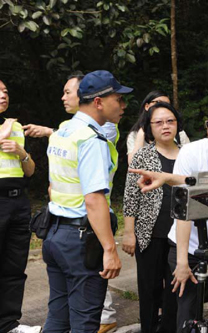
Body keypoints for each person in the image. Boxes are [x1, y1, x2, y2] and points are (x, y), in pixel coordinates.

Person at [129, 101, 208, 332]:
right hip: (188, 241)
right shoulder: (193, 152)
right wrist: (183, 261)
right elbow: (184, 211)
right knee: (186, 310)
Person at [23, 72, 119, 333]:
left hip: (54, 236)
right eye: (117, 98)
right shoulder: (91, 140)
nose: (122, 105)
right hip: (80, 241)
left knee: (58, 318)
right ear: (98, 102)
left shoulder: (63, 131)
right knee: (84, 324)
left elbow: (54, 186)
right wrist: (110, 249)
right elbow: (94, 199)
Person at [122, 101, 183, 333]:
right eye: (158, 122)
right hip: (150, 233)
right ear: (149, 127)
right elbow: (130, 195)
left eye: (170, 121)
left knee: (176, 291)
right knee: (149, 290)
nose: (165, 126)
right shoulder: (142, 156)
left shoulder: (189, 154)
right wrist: (129, 232)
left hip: (181, 235)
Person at [0, 80, 39, 333]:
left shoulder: (15, 127)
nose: (3, 95)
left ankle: (8, 324)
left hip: (18, 201)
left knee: (14, 267)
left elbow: (30, 170)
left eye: (5, 92)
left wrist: (22, 152)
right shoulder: (8, 126)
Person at [126, 91, 189, 164]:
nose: (162, 107)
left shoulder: (179, 134)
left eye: (166, 105)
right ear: (146, 106)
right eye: (158, 103)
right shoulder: (135, 134)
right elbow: (133, 165)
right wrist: (141, 134)